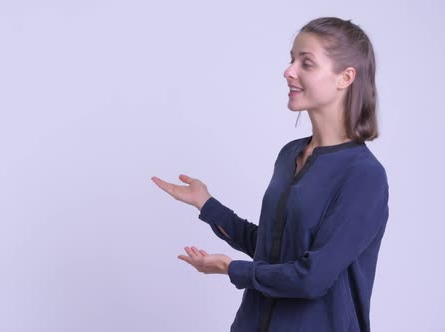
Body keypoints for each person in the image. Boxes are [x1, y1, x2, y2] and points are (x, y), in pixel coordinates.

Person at [151, 17, 389, 332]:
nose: (289, 71)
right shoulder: (290, 154)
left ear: (345, 77)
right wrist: (206, 204)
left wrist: (230, 268)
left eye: (306, 63)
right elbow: (272, 249)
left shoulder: (363, 175)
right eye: (292, 59)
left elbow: (312, 278)